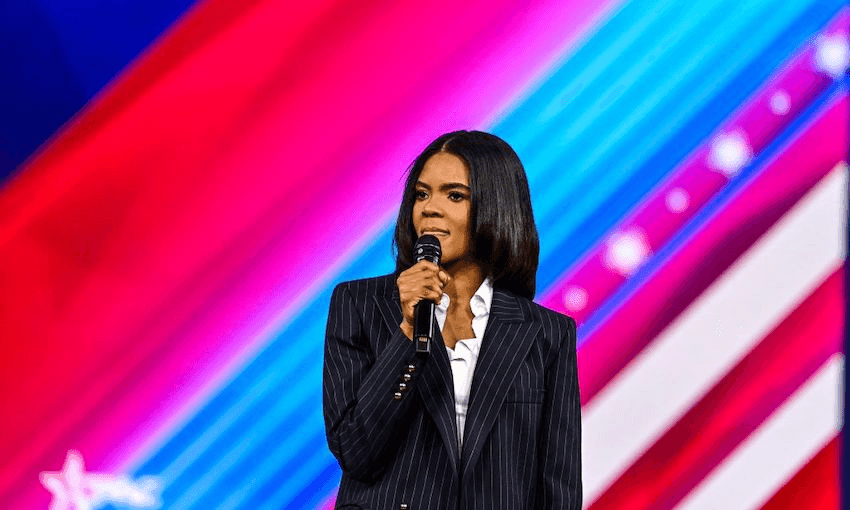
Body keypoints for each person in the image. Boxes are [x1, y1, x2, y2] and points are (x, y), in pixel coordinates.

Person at [323, 130, 581, 509]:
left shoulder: (547, 333)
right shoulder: (358, 305)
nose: (430, 208)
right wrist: (408, 333)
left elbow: (558, 483)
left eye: (454, 195)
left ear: (496, 206)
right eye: (422, 194)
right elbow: (356, 450)